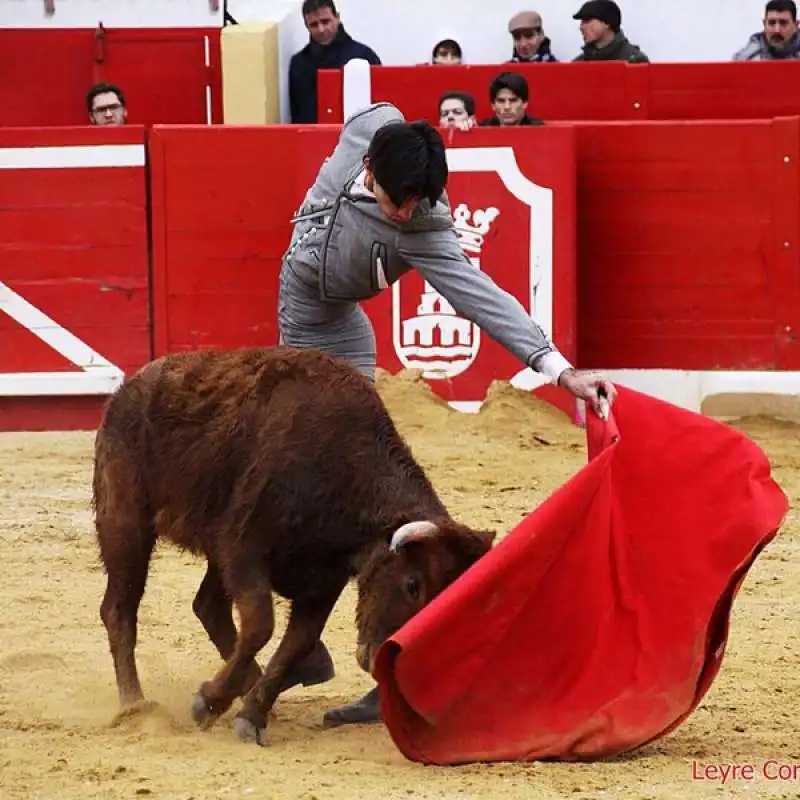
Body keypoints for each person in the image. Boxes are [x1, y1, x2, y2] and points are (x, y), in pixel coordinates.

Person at [276, 101, 617, 727]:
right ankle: (312, 646)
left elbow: (481, 297)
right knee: (304, 492)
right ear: (373, 167)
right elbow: (380, 108)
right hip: (303, 328)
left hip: (339, 337)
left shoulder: (424, 225)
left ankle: (389, 659)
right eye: (399, 199)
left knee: (351, 496)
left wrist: (559, 370)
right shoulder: (369, 130)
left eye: (418, 203)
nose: (407, 212)